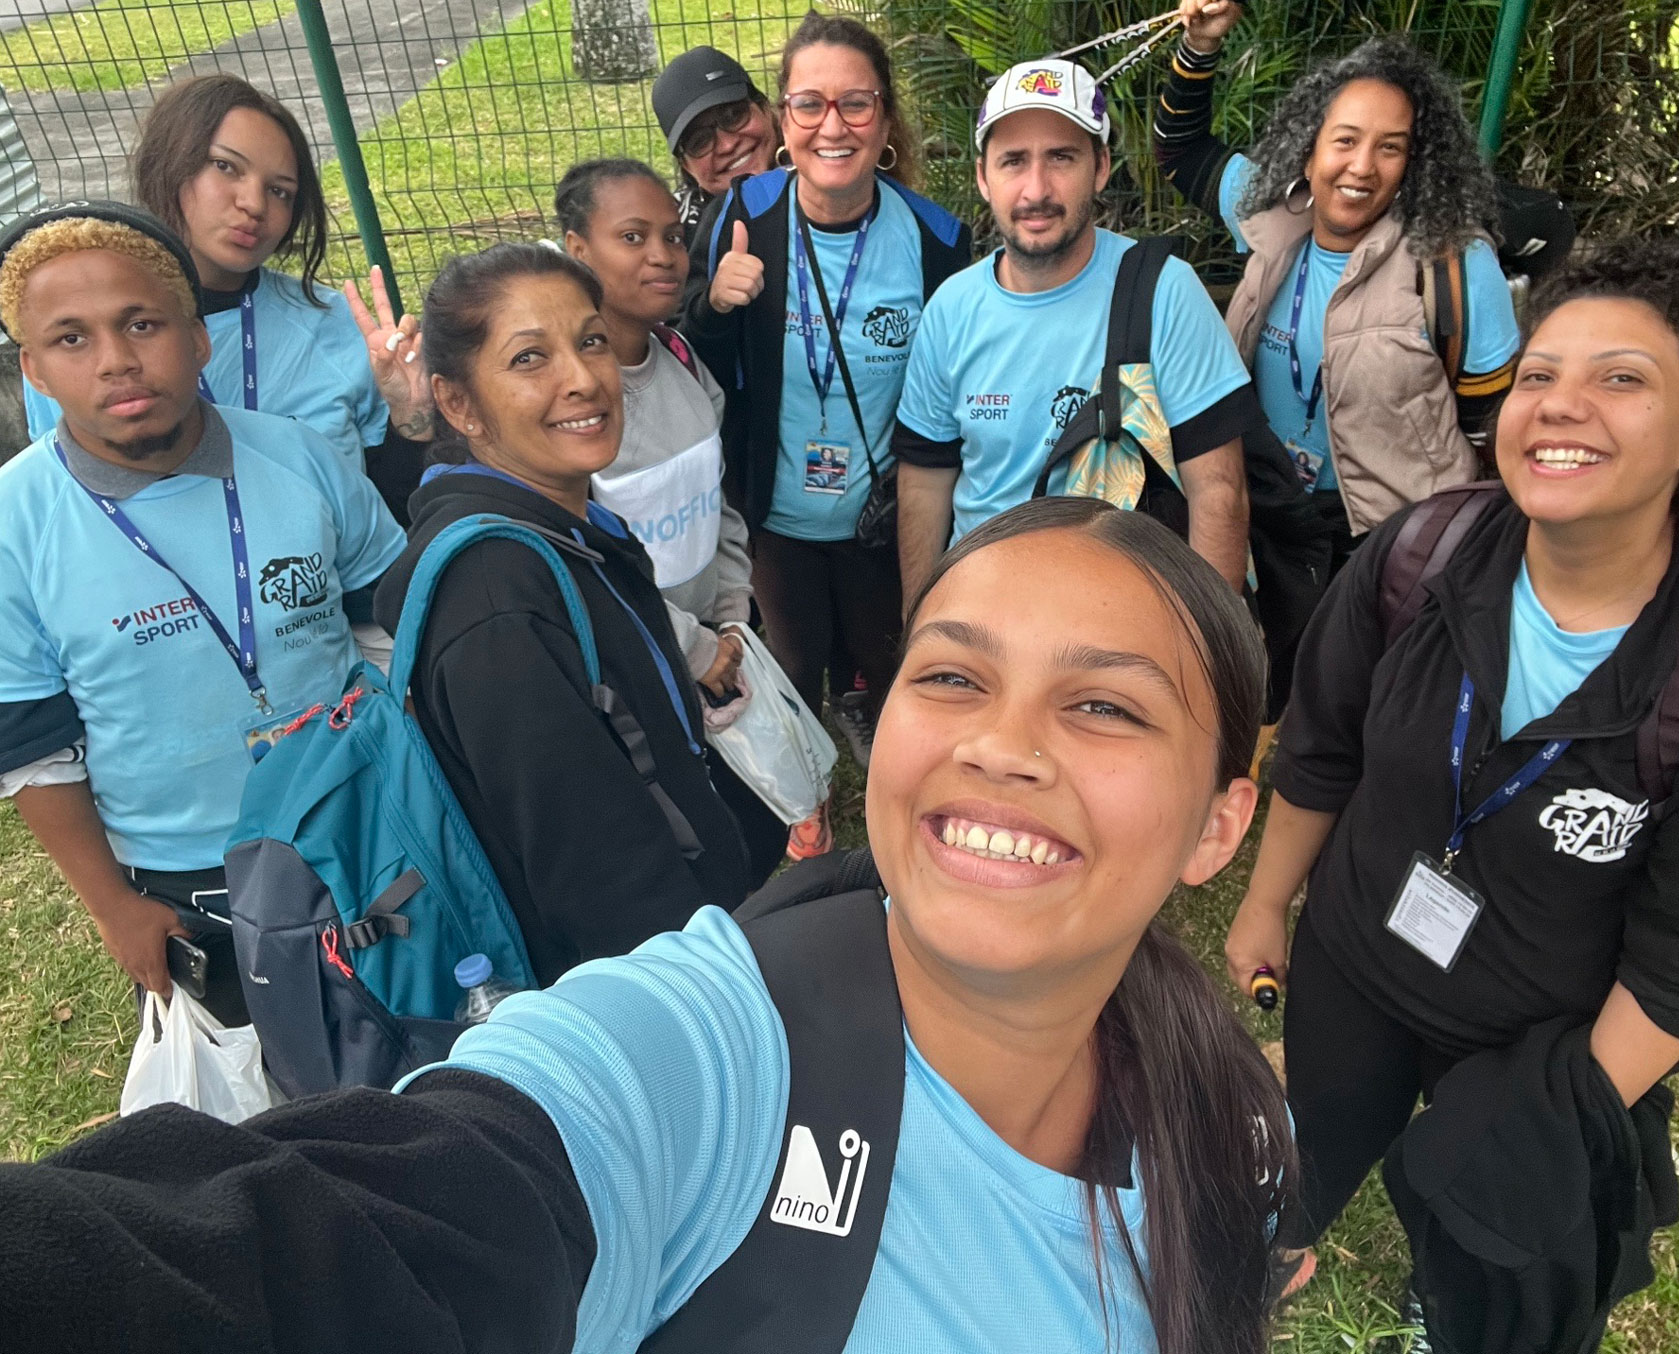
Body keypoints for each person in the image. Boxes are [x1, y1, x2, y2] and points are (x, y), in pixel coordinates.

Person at [0, 496, 1299, 1354]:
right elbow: (359, 1233)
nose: (1003, 744)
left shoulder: (1232, 1128)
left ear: (1219, 825)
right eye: (952, 675)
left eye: (1108, 708)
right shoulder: (701, 1057)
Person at [1226, 239, 1679, 1345]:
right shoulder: (1422, 550)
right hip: (1357, 958)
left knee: (1483, 1233)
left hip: (1531, 1039)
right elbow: (1320, 751)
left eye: (1622, 378)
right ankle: (1282, 1233)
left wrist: (1553, 1121)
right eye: (1541, 373)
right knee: (1310, 1131)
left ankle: (1445, 1295)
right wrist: (1267, 903)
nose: (1562, 406)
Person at [0, 202, 406, 1026]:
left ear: (199, 337)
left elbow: (390, 615)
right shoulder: (15, 523)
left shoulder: (297, 455)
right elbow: (33, 747)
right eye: (72, 339)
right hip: (188, 880)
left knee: (416, 1051)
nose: (117, 360)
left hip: (364, 824)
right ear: (34, 372)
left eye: (143, 323)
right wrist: (114, 906)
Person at [372, 242, 754, 986]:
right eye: (528, 359)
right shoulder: (497, 606)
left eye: (591, 341)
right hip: (654, 987)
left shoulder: (557, 525)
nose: (583, 380)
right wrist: (714, 995)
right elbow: (598, 875)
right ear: (457, 402)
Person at [681, 12, 972, 860]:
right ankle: (803, 811)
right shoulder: (744, 212)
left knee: (893, 670)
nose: (831, 126)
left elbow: (950, 386)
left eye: (855, 103)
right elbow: (696, 359)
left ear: (884, 121)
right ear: (783, 117)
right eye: (809, 104)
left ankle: (904, 817)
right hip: (776, 516)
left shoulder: (935, 238)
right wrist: (716, 304)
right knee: (790, 673)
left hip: (885, 519)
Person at [1156, 0, 1521, 569]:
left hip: (1396, 545)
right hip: (1268, 521)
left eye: (1391, 147)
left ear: (1416, 161)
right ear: (1310, 146)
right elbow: (1179, 146)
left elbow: (1496, 434)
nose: (1362, 167)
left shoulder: (1455, 262)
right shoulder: (1268, 212)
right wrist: (1200, 45)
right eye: (1345, 140)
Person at [894, 57, 1260, 608]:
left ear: (1101, 165)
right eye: (1012, 161)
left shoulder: (1164, 291)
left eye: (1061, 157)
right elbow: (924, 485)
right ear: (982, 177)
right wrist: (919, 623)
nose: (1035, 189)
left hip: (1120, 614)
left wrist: (1203, 662)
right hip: (982, 610)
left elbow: (1220, 492)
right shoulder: (951, 309)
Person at [19, 74, 436, 517]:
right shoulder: (72, 337)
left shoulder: (332, 325)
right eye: (226, 167)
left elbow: (388, 508)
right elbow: (65, 505)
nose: (254, 204)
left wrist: (412, 417)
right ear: (170, 161)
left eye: (280, 191)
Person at [554, 156, 784, 881]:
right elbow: (580, 557)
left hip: (709, 658)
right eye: (631, 237)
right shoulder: (571, 403)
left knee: (746, 842)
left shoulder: (683, 362)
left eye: (672, 236)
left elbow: (717, 508)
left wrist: (729, 616)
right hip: (631, 679)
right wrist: (688, 647)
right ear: (576, 248)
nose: (662, 256)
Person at [652, 45, 781, 237]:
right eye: (700, 141)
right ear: (686, 166)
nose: (727, 145)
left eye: (734, 116)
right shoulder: (678, 237)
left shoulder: (826, 176)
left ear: (764, 108)